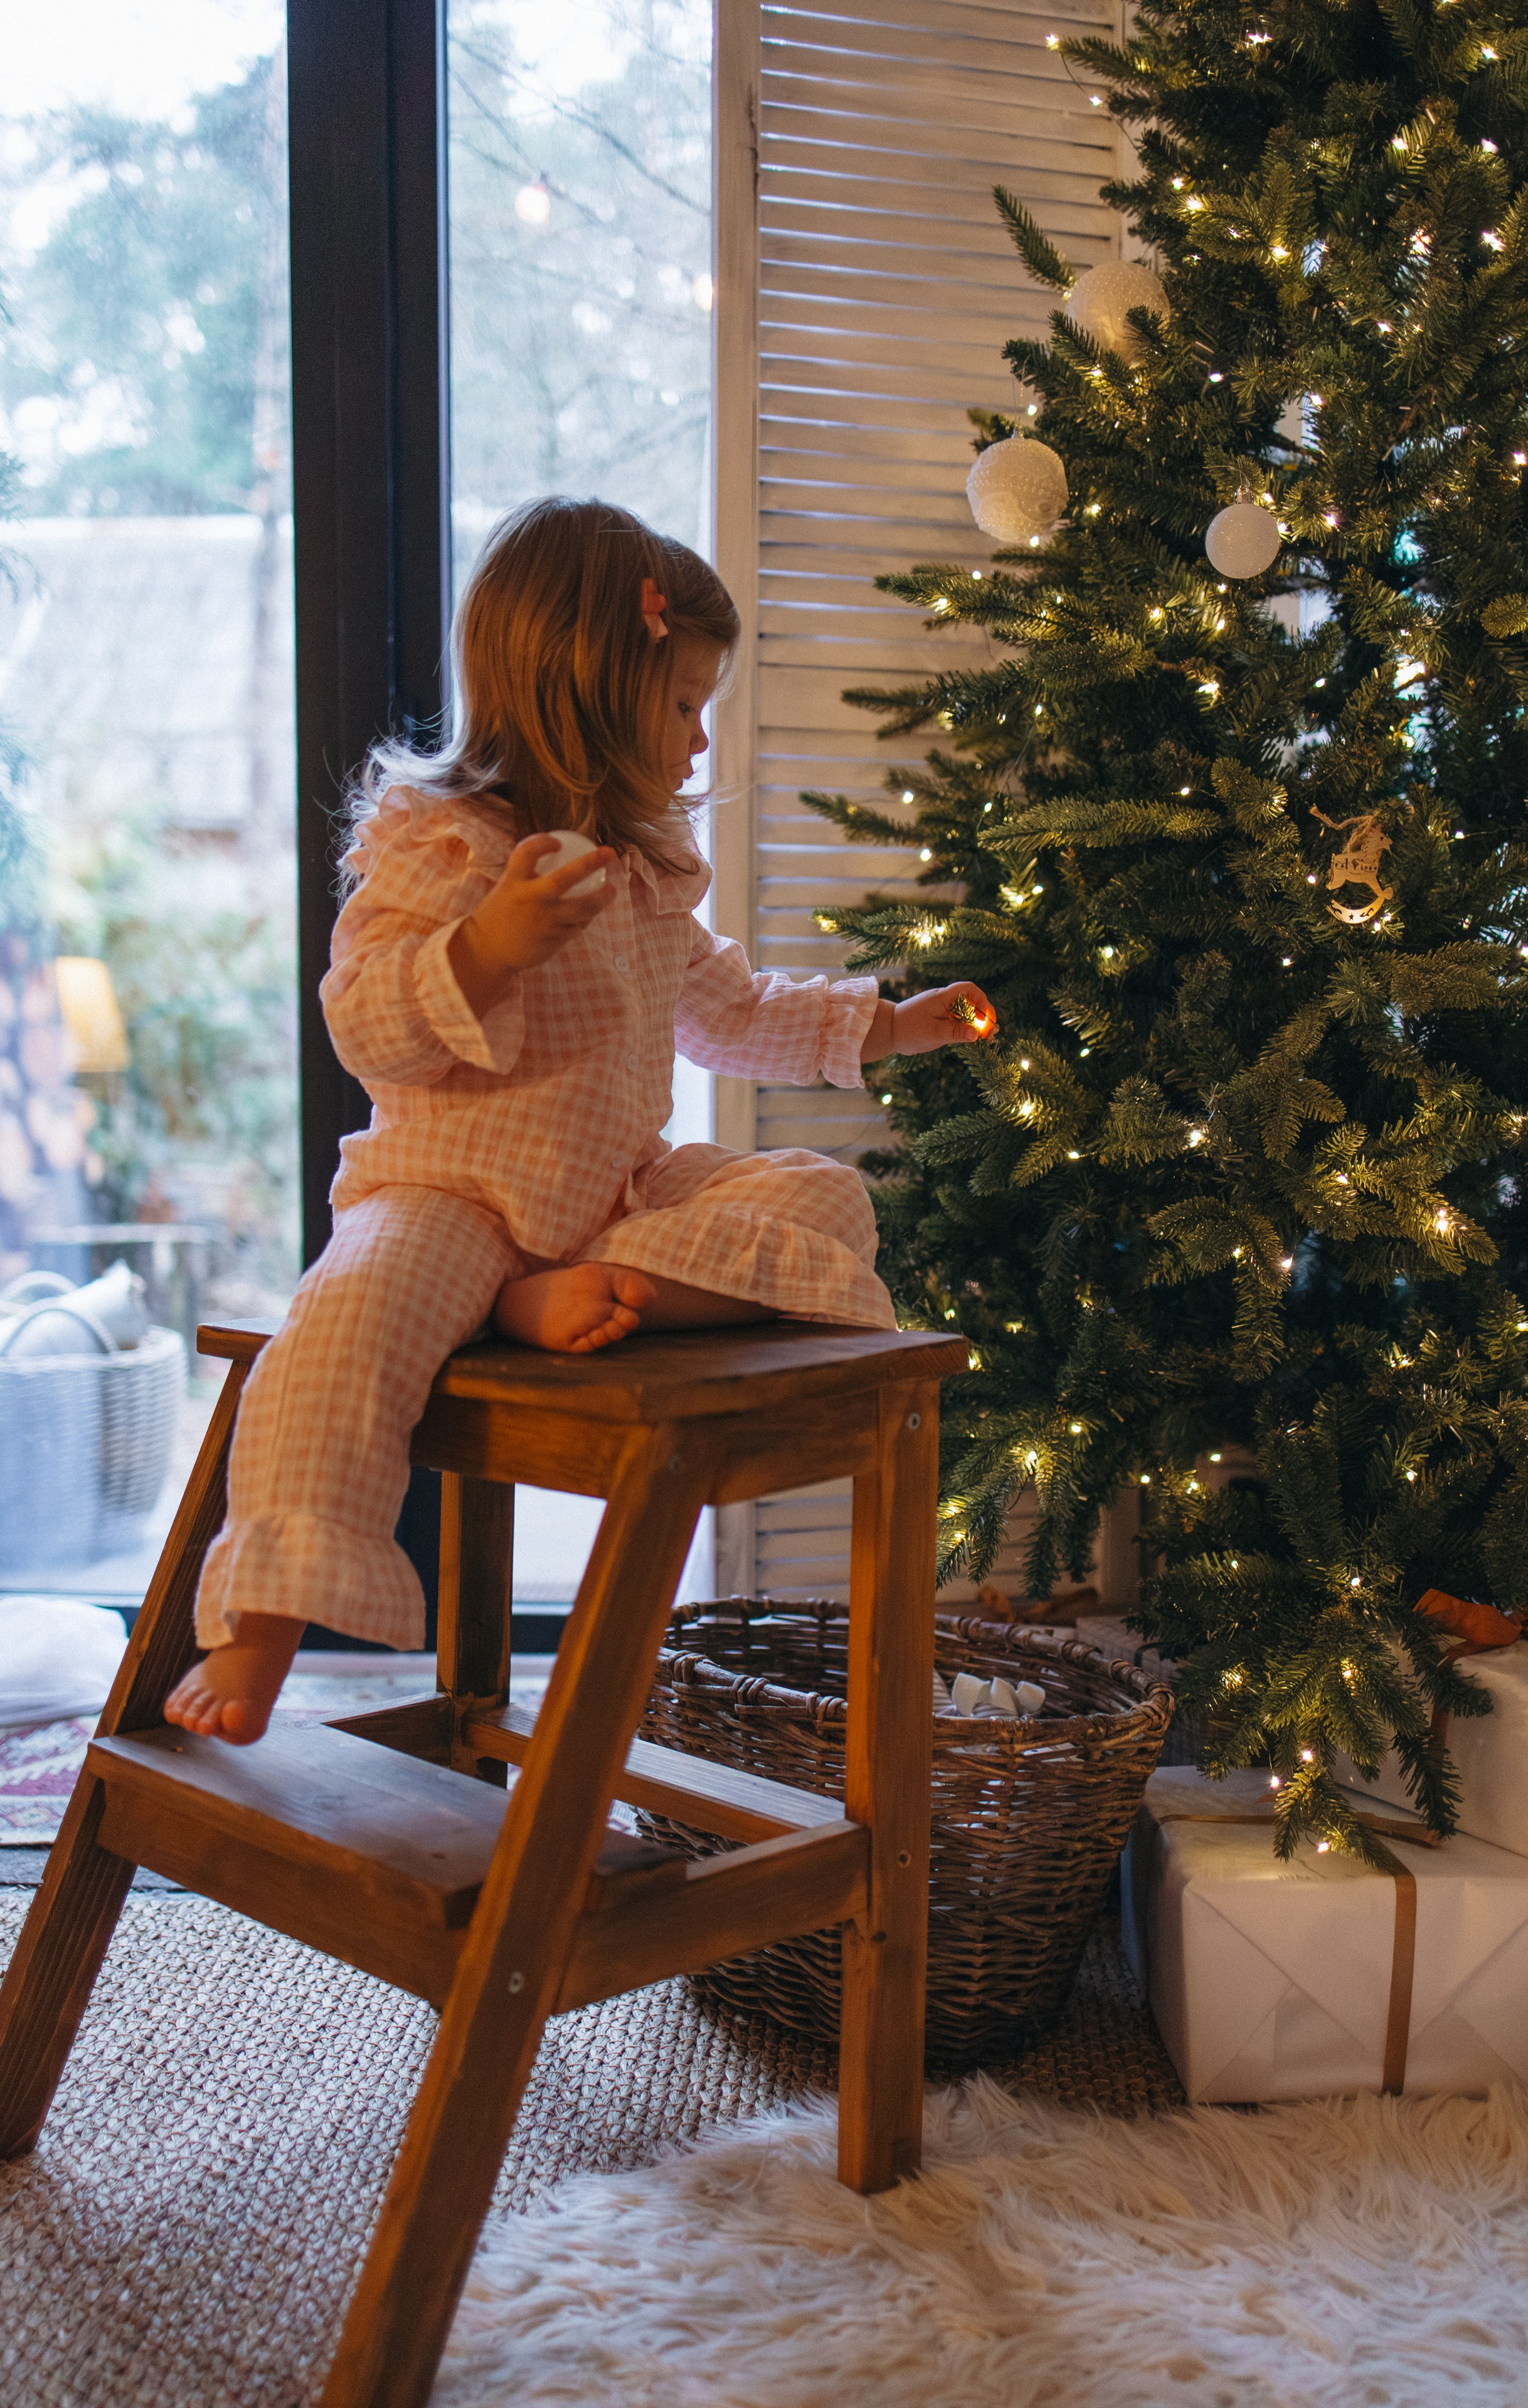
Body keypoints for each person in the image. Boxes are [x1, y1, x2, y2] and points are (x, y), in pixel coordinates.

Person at [165, 496, 995, 1744]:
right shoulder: (443, 844)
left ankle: (597, 1284)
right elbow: (364, 1023)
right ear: (588, 691)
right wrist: (488, 946)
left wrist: (890, 1024)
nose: (698, 740)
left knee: (821, 1197)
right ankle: (259, 1630)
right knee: (336, 1331)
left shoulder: (645, 876)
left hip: (617, 1204)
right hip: (448, 1194)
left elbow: (732, 1012)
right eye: (679, 705)